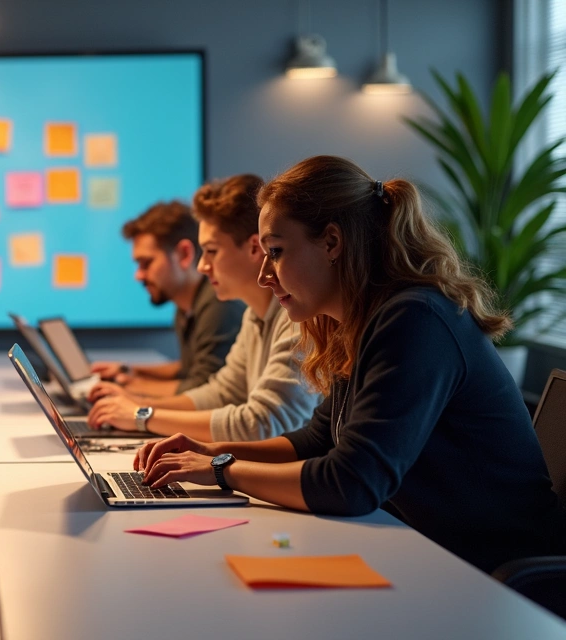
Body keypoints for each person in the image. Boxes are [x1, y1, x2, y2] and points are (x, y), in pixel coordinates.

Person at [133, 155, 566, 572]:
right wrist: (212, 451)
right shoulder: (363, 320)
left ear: (332, 243)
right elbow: (318, 439)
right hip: (432, 552)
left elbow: (352, 484)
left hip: (493, 573)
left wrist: (222, 471)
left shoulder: (415, 319)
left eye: (276, 251)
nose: (265, 274)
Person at [86, 175, 319, 441]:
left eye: (211, 251)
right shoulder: (254, 316)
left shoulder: (297, 318)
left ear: (255, 248)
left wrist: (142, 415)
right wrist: (137, 407)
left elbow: (264, 422)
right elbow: (222, 393)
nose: (202, 266)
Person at [88, 200, 244, 397]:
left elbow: (202, 389)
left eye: (146, 263)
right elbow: (187, 369)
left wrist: (129, 388)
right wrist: (128, 370)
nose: (138, 275)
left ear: (184, 254)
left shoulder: (219, 306)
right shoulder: (186, 306)